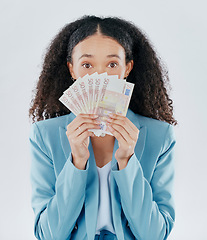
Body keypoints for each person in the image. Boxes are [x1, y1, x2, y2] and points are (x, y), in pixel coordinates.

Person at [29, 15, 178, 240]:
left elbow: (154, 235)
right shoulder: (44, 135)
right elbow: (49, 235)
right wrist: (77, 163)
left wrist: (127, 161)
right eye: (87, 65)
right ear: (72, 70)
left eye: (112, 64)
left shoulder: (160, 136)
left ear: (127, 68)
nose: (100, 76)